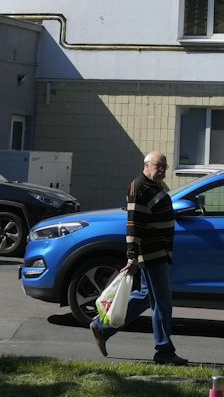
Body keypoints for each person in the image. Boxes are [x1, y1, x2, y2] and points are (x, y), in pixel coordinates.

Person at [91, 150, 184, 364]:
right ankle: (164, 351)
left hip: (158, 252)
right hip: (151, 254)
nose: (162, 171)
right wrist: (132, 257)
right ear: (146, 165)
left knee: (144, 297)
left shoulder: (152, 186)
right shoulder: (139, 187)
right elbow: (133, 225)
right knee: (163, 304)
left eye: (165, 167)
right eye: (159, 166)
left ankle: (101, 328)